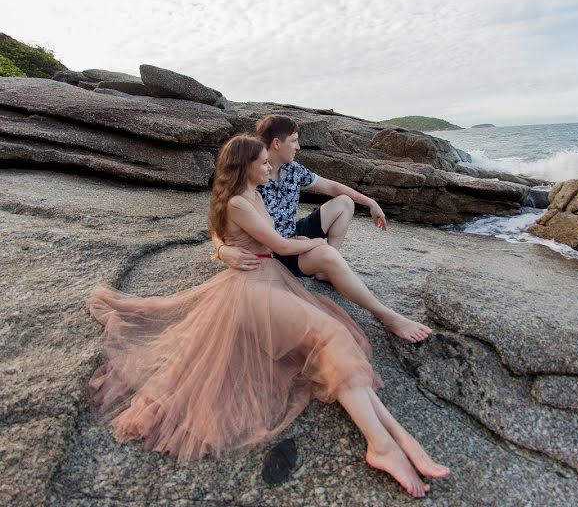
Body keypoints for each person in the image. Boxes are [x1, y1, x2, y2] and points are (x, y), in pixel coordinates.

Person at [87, 135, 449, 497]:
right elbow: (280, 245)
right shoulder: (239, 203)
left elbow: (250, 234)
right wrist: (317, 245)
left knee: (333, 335)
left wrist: (227, 247)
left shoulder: (254, 193)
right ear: (246, 167)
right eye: (262, 163)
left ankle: (396, 435)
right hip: (251, 291)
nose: (268, 168)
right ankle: (381, 445)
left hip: (268, 280)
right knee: (334, 335)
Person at [214, 115, 431, 343]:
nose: (298, 146)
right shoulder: (253, 176)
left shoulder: (292, 170)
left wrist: (370, 202)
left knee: (345, 202)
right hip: (277, 250)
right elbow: (223, 216)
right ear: (277, 143)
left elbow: (332, 187)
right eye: (295, 140)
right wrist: (222, 249)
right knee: (326, 252)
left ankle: (324, 268)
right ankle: (387, 316)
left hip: (292, 233)